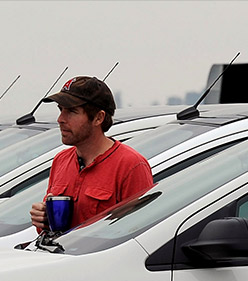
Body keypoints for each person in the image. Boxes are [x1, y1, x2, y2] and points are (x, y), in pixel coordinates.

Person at [29, 76, 154, 232]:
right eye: (61, 110)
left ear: (98, 118)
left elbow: (139, 232)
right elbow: (53, 226)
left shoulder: (130, 166)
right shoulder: (61, 160)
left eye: (72, 111)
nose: (60, 119)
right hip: (59, 255)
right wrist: (43, 219)